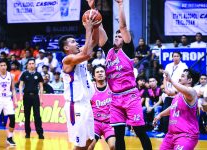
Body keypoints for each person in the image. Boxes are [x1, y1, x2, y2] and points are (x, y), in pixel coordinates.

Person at [95, 0, 152, 149]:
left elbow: (123, 26)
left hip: (130, 95)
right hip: (114, 98)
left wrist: (120, 5)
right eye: (116, 36)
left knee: (140, 131)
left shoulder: (127, 50)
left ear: (126, 39)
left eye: (120, 36)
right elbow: (99, 26)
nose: (117, 37)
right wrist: (92, 8)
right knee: (119, 134)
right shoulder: (108, 52)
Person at [59, 12, 99, 149]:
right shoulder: (68, 60)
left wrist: (96, 24)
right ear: (66, 48)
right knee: (80, 144)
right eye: (72, 42)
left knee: (90, 141)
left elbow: (94, 41)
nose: (76, 43)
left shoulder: (78, 54)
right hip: (75, 106)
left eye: (76, 41)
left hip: (86, 104)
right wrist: (88, 28)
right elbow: (87, 53)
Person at [153, 69, 200, 149]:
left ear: (190, 80)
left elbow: (184, 90)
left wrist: (170, 80)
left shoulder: (192, 92)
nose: (179, 78)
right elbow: (172, 106)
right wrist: (160, 115)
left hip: (186, 135)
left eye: (182, 76)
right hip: (171, 135)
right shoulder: (178, 94)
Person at [158, 51, 188, 137]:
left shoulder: (184, 66)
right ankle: (164, 132)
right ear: (172, 57)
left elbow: (183, 81)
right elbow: (164, 78)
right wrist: (166, 89)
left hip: (177, 93)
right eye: (174, 56)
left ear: (180, 57)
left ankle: (178, 132)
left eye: (177, 56)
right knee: (165, 112)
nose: (175, 58)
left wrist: (175, 91)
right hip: (168, 92)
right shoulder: (168, 66)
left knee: (177, 114)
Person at [88, 64, 115, 150]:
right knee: (89, 147)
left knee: (113, 146)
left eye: (102, 71)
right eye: (97, 72)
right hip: (95, 123)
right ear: (94, 76)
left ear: (105, 74)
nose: (100, 73)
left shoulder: (112, 87)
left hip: (110, 124)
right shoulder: (91, 89)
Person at [19, 58, 44, 139]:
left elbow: (41, 86)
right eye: (29, 63)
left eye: (32, 63)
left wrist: (41, 98)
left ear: (35, 65)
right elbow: (20, 85)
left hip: (35, 96)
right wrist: (20, 95)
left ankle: (40, 133)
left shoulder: (38, 74)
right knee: (27, 115)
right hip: (26, 96)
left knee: (37, 115)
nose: (31, 65)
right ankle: (27, 133)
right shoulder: (24, 74)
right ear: (27, 65)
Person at [0, 59, 18, 146]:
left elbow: (13, 89)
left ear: (6, 66)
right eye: (1, 65)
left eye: (4, 65)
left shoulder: (10, 75)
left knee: (12, 118)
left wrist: (15, 100)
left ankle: (10, 137)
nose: (3, 67)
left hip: (8, 99)